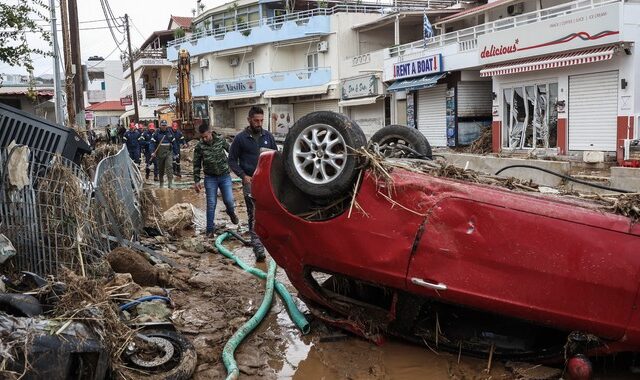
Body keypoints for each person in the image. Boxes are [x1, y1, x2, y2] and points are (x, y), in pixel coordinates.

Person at [228, 106, 277, 261]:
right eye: (256, 120)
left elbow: (276, 157)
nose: (259, 123)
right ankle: (258, 248)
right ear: (249, 120)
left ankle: (268, 242)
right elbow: (231, 160)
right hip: (250, 181)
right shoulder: (240, 139)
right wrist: (243, 175)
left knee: (269, 212)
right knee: (253, 213)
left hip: (267, 182)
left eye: (261, 120)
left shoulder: (268, 137)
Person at [193, 123, 239, 237]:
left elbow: (232, 152)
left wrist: (238, 165)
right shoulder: (199, 146)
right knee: (211, 203)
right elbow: (196, 164)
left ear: (210, 132)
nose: (204, 139)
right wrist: (196, 180)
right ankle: (209, 230)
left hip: (224, 176)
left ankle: (231, 212)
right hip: (210, 178)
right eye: (202, 137)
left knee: (229, 200)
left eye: (206, 136)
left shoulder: (220, 140)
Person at [150, 120, 176, 188]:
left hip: (168, 153)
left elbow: (174, 143)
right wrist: (152, 152)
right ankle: (161, 182)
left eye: (165, 125)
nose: (164, 127)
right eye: (163, 125)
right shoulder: (156, 133)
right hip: (160, 153)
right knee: (161, 168)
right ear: (160, 126)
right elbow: (152, 143)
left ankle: (170, 183)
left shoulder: (170, 132)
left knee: (169, 167)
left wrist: (176, 153)